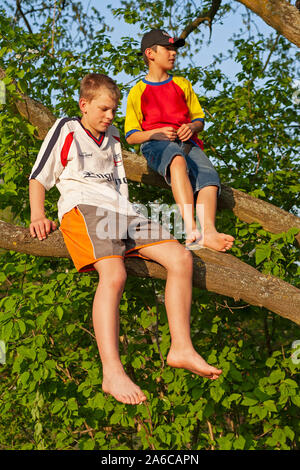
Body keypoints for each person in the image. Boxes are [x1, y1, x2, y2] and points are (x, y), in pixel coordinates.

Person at [29, 73, 222, 405]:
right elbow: (38, 176)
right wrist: (37, 215)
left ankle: (181, 347)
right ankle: (112, 371)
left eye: (113, 110)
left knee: (181, 258)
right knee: (114, 274)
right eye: (103, 109)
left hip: (125, 212)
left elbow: (120, 185)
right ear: (83, 104)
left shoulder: (114, 135)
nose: (109, 116)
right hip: (84, 208)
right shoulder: (67, 128)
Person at [125, 29, 235, 251]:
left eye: (175, 49)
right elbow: (131, 135)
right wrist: (153, 134)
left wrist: (191, 127)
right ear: (150, 53)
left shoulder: (183, 84)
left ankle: (209, 232)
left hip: (188, 144)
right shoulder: (138, 91)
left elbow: (199, 120)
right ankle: (192, 229)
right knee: (176, 161)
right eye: (168, 48)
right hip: (156, 144)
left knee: (209, 178)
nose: (173, 53)